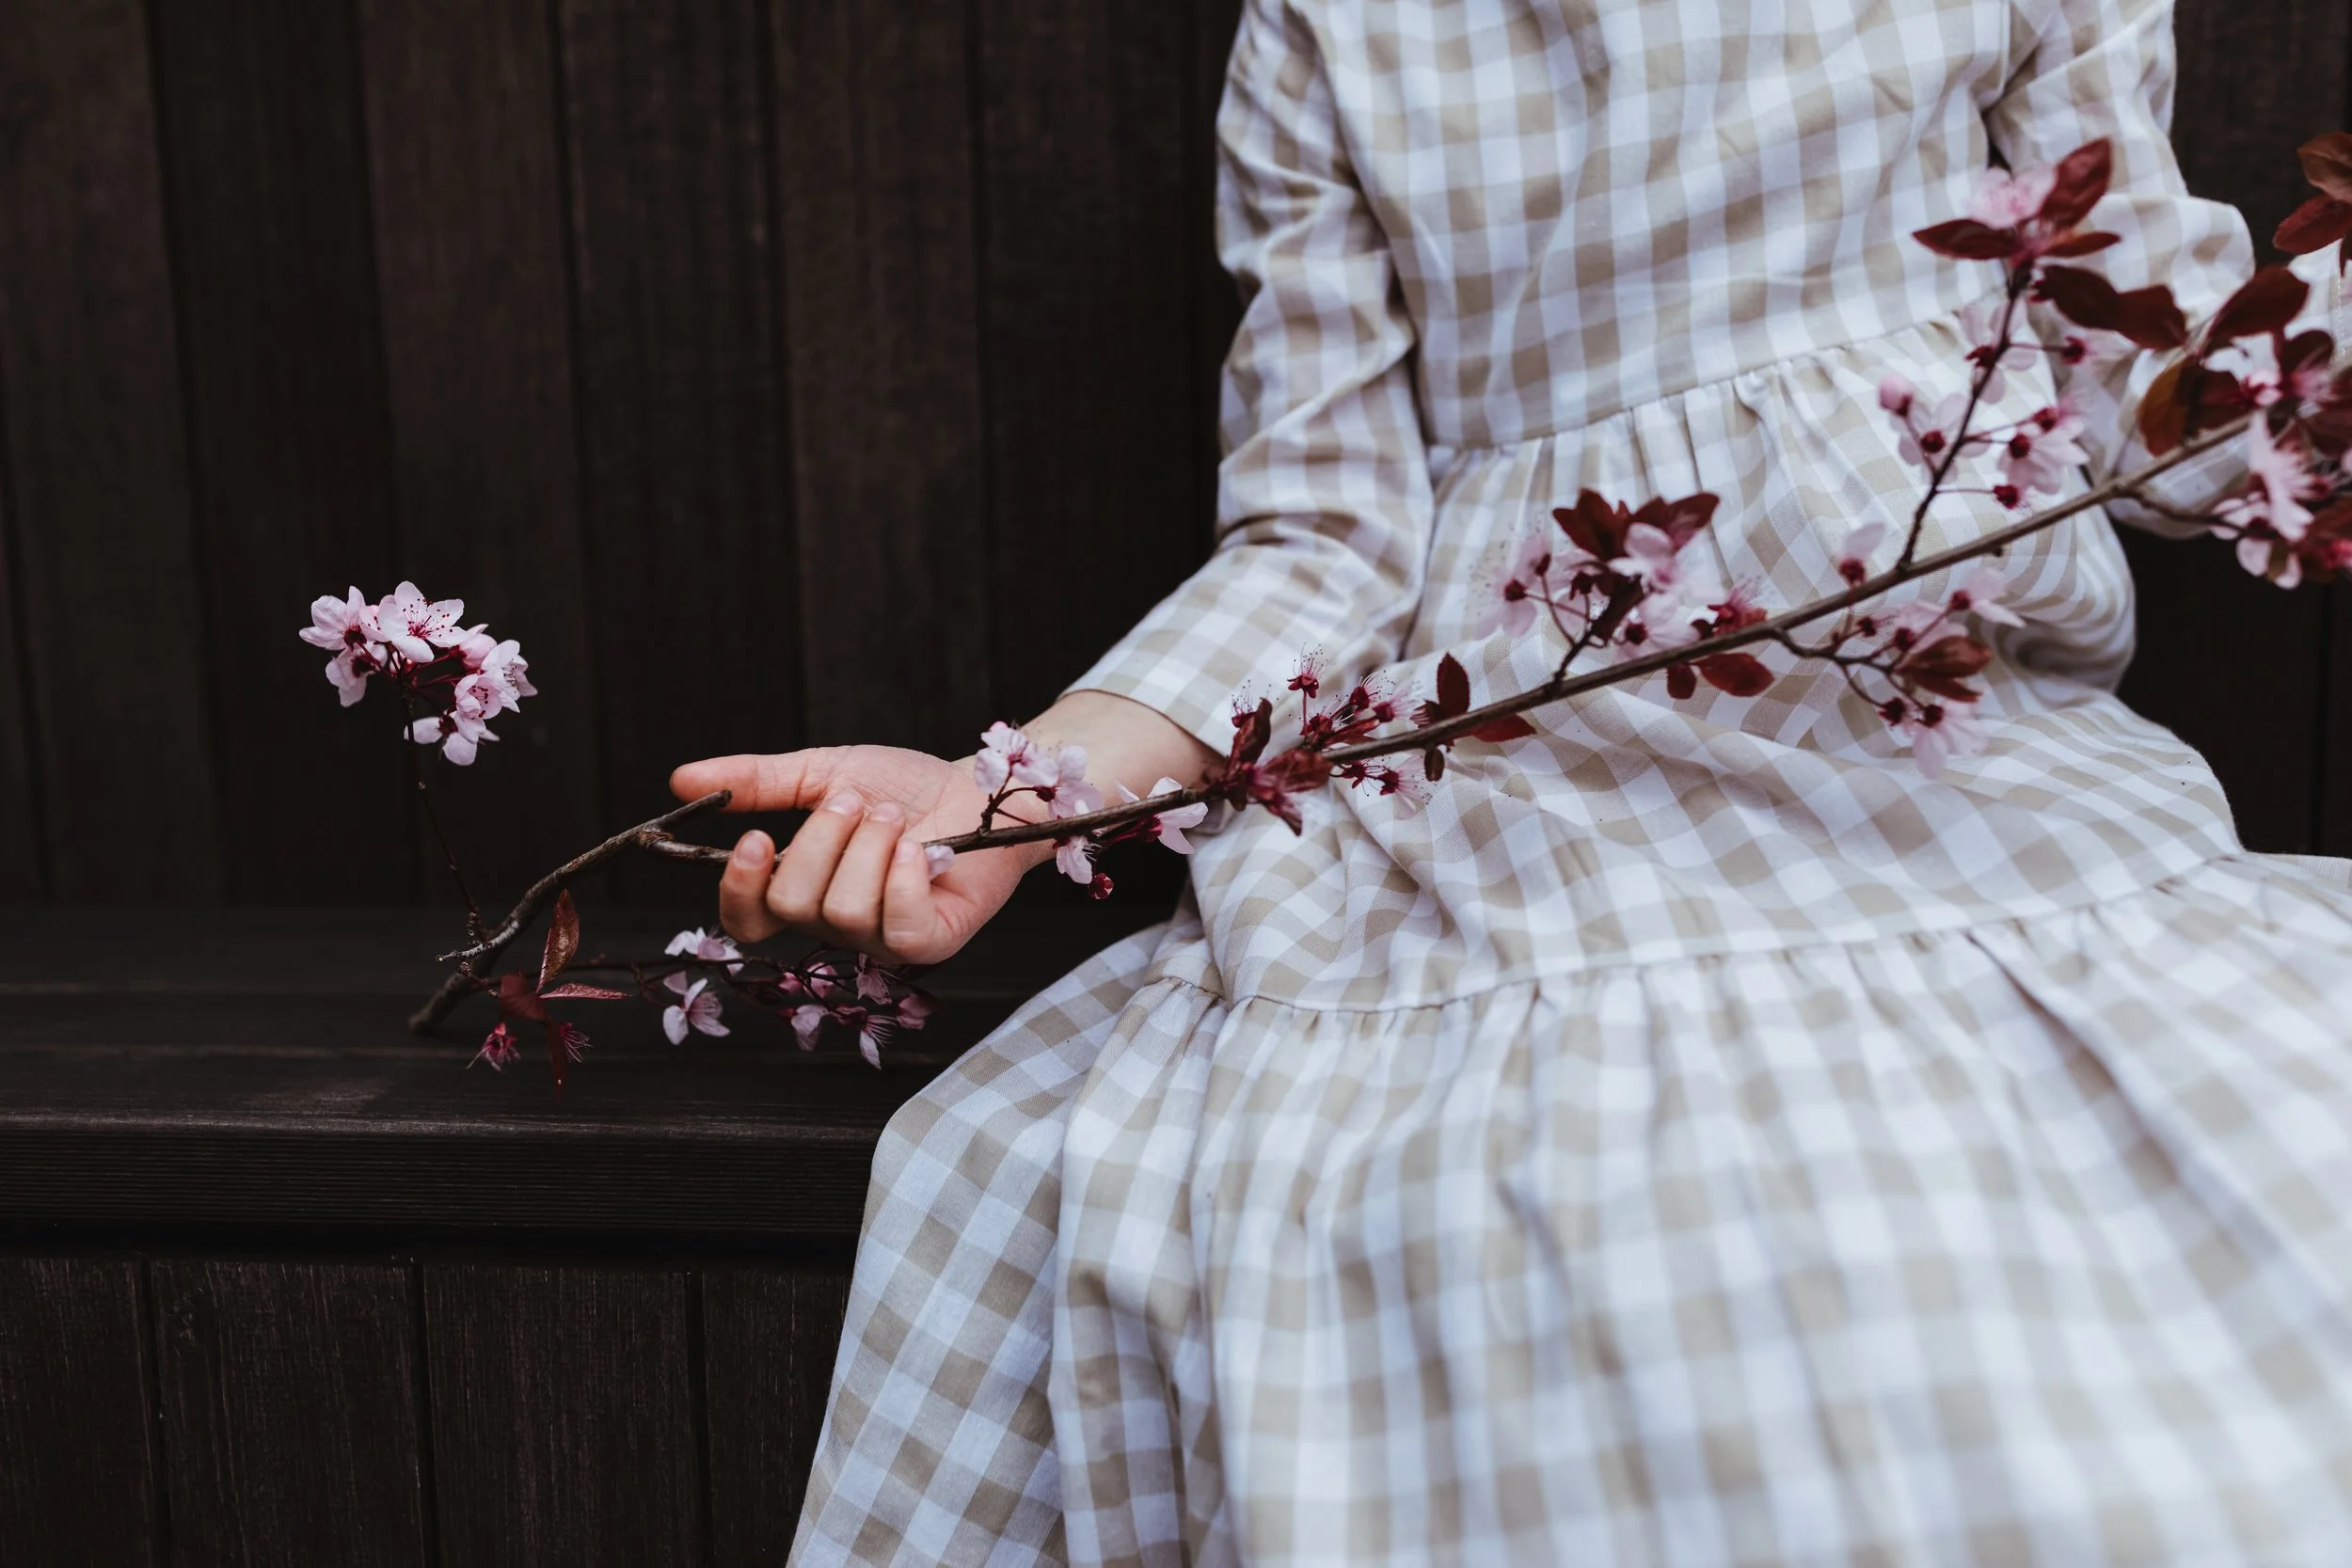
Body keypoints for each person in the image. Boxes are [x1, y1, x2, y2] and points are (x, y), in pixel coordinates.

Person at [674, 0, 2352, 1560]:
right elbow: (1321, 539)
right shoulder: (1334, 28)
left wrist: (2310, 375)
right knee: (1545, 1251)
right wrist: (1019, 795)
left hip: (1942, 776)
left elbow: (2162, 380)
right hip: (1524, 804)